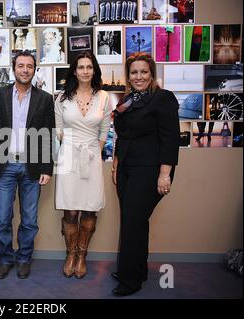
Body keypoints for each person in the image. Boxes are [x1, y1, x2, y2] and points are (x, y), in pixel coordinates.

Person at [0, 50, 55, 280]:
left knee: (30, 220)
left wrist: (46, 168)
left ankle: (24, 258)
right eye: (21, 65)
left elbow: (48, 135)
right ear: (14, 69)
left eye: (29, 66)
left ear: (34, 70)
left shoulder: (44, 98)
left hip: (31, 167)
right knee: (2, 218)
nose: (25, 70)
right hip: (4, 166)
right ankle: (6, 259)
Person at [111, 52, 180, 296]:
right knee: (135, 223)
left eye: (143, 72)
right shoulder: (129, 100)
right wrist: (116, 165)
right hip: (127, 169)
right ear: (128, 76)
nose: (138, 76)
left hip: (150, 171)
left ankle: (129, 281)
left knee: (132, 223)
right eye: (134, 72)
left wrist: (165, 175)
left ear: (151, 74)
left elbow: (170, 140)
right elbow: (122, 137)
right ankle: (136, 270)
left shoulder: (162, 98)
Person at [54, 51, 112, 279]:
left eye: (89, 67)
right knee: (70, 209)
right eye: (81, 67)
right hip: (68, 155)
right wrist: (70, 147)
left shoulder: (104, 97)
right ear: (74, 71)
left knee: (89, 208)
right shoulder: (62, 98)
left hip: (91, 156)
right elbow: (58, 129)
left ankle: (82, 255)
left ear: (94, 70)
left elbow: (105, 129)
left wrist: (94, 151)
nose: (85, 71)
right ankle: (70, 254)